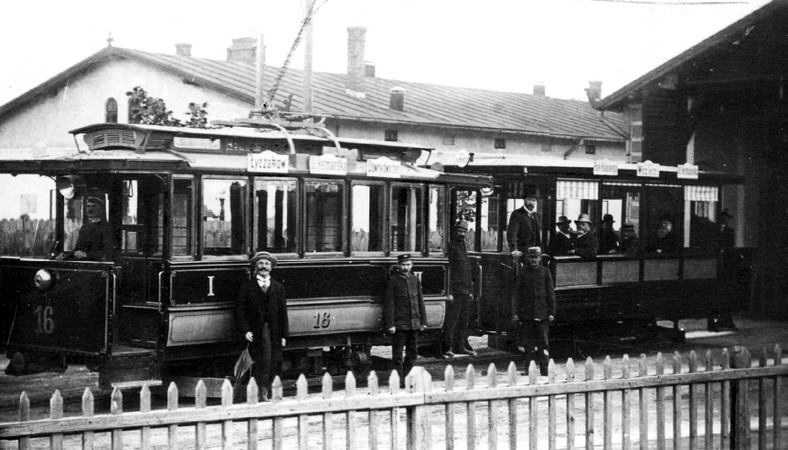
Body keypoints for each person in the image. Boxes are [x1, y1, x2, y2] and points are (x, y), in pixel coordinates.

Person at [236, 251, 289, 400]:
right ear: (255, 266)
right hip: (257, 332)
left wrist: (284, 335)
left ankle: (271, 392)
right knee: (261, 363)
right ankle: (261, 393)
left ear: (271, 268)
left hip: (274, 332)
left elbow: (283, 313)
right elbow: (240, 311)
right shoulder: (247, 287)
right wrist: (245, 330)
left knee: (274, 362)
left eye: (267, 264)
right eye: (260, 263)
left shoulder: (278, 288)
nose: (263, 267)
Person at [511, 247, 555, 376]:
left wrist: (552, 312)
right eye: (531, 258)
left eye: (536, 257)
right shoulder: (523, 273)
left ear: (540, 258)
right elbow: (518, 294)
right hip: (527, 314)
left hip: (542, 313)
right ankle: (529, 369)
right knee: (528, 344)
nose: (533, 260)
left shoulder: (545, 272)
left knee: (544, 344)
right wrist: (515, 313)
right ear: (528, 259)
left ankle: (545, 370)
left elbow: (550, 293)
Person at [384, 253, 428, 383]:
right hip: (400, 324)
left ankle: (407, 376)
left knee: (412, 353)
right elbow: (389, 304)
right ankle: (399, 380)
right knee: (397, 354)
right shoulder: (393, 281)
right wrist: (390, 324)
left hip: (414, 323)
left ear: (412, 265)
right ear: (398, 265)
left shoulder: (415, 280)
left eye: (408, 265)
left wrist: (424, 321)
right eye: (403, 264)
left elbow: (420, 301)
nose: (405, 267)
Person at [443, 221, 476, 358]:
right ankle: (448, 347)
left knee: (463, 320)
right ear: (455, 231)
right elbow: (449, 269)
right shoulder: (451, 246)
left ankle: (460, 346)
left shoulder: (464, 246)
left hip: (465, 290)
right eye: (460, 231)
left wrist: (470, 291)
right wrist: (449, 291)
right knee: (452, 320)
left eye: (464, 231)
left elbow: (466, 270)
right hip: (455, 290)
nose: (462, 234)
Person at [58, 196, 114, 261]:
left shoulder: (106, 227)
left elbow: (107, 254)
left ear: (101, 209)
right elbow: (77, 250)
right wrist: (65, 256)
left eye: (94, 206)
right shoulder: (84, 227)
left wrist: (87, 255)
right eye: (88, 206)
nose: (90, 209)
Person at [506, 188, 542, 259]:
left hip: (535, 253)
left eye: (533, 200)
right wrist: (514, 249)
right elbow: (512, 234)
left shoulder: (536, 215)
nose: (531, 202)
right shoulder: (517, 214)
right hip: (522, 252)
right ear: (524, 200)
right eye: (528, 200)